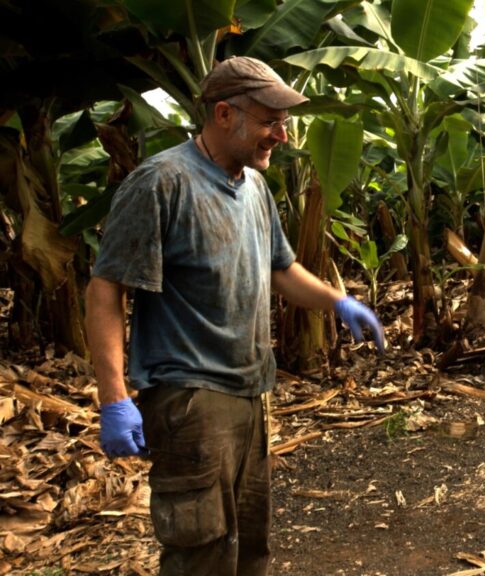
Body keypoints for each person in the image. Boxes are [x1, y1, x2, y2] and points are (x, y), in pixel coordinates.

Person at [84, 56, 385, 576]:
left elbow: (281, 268)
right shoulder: (162, 182)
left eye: (283, 123)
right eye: (270, 122)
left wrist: (337, 301)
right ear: (224, 114)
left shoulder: (254, 188)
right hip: (191, 398)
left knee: (250, 546)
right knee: (202, 551)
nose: (282, 136)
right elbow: (106, 288)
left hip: (252, 395)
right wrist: (113, 397)